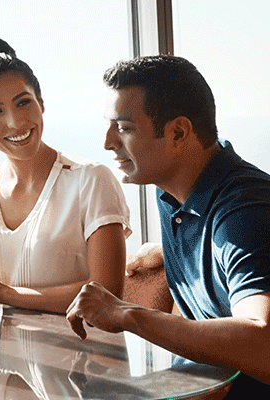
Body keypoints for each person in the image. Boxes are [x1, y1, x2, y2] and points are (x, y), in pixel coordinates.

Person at [66, 55, 270, 394]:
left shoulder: (244, 211)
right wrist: (159, 252)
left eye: (124, 127)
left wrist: (128, 314)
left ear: (178, 132)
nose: (108, 143)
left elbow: (263, 342)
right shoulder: (173, 198)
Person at [0, 36, 130, 313]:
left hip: (80, 354)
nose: (15, 122)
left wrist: (4, 293)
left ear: (41, 102)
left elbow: (106, 294)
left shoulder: (91, 180)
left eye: (23, 103)